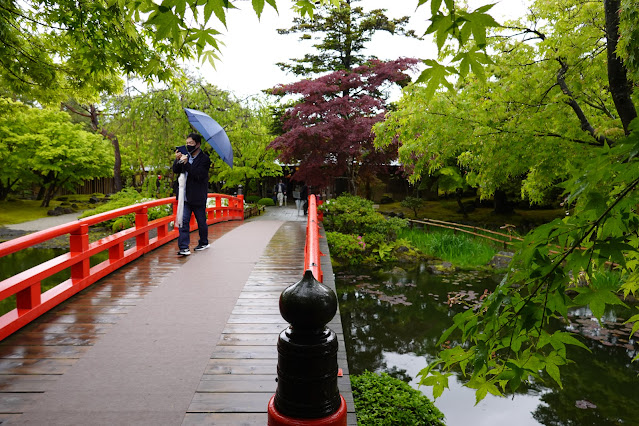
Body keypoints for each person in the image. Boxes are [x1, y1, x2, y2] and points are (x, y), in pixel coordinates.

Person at [173, 133, 211, 256]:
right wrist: (178, 159)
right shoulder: (186, 156)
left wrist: (187, 164)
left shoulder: (205, 159)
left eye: (191, 143)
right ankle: (184, 247)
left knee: (201, 221)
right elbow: (175, 170)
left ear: (198, 144)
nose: (188, 145)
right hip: (184, 195)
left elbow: (199, 175)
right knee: (183, 220)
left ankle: (204, 242)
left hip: (198, 195)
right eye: (187, 143)